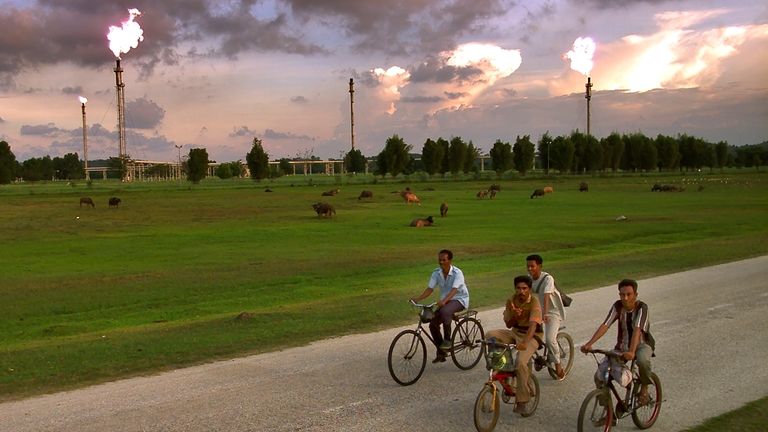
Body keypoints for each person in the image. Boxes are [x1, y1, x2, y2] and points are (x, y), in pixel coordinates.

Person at [580, 279, 655, 406]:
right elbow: (605, 325)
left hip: (642, 344)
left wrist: (632, 351)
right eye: (622, 294)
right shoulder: (617, 306)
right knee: (600, 375)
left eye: (629, 294)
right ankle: (608, 414)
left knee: (642, 360)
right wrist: (589, 343)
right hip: (622, 346)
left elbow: (637, 330)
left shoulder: (642, 307)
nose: (625, 298)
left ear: (636, 295)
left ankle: (644, 388)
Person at [485, 275, 543, 414]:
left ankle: (522, 400)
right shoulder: (511, 300)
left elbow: (533, 326)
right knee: (490, 335)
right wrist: (515, 316)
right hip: (515, 332)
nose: (521, 291)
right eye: (518, 288)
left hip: (531, 336)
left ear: (529, 289)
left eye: (524, 288)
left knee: (520, 363)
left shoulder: (534, 302)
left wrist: (524, 343)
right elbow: (508, 324)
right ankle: (500, 363)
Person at [410, 249, 469, 363]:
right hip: (446, 301)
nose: (441, 262)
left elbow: (454, 290)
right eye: (439, 260)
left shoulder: (457, 273)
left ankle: (448, 340)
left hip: (459, 300)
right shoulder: (436, 273)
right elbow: (430, 289)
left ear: (450, 261)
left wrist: (444, 301)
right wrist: (417, 299)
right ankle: (441, 352)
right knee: (433, 324)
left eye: (444, 260)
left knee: (445, 311)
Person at [526, 254, 566, 379]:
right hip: (538, 310)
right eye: (528, 266)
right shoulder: (529, 278)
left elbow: (547, 296)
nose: (530, 269)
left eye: (532, 266)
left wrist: (544, 314)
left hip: (552, 311)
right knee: (526, 333)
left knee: (550, 339)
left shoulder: (548, 278)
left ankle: (558, 365)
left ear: (539, 266)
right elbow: (528, 295)